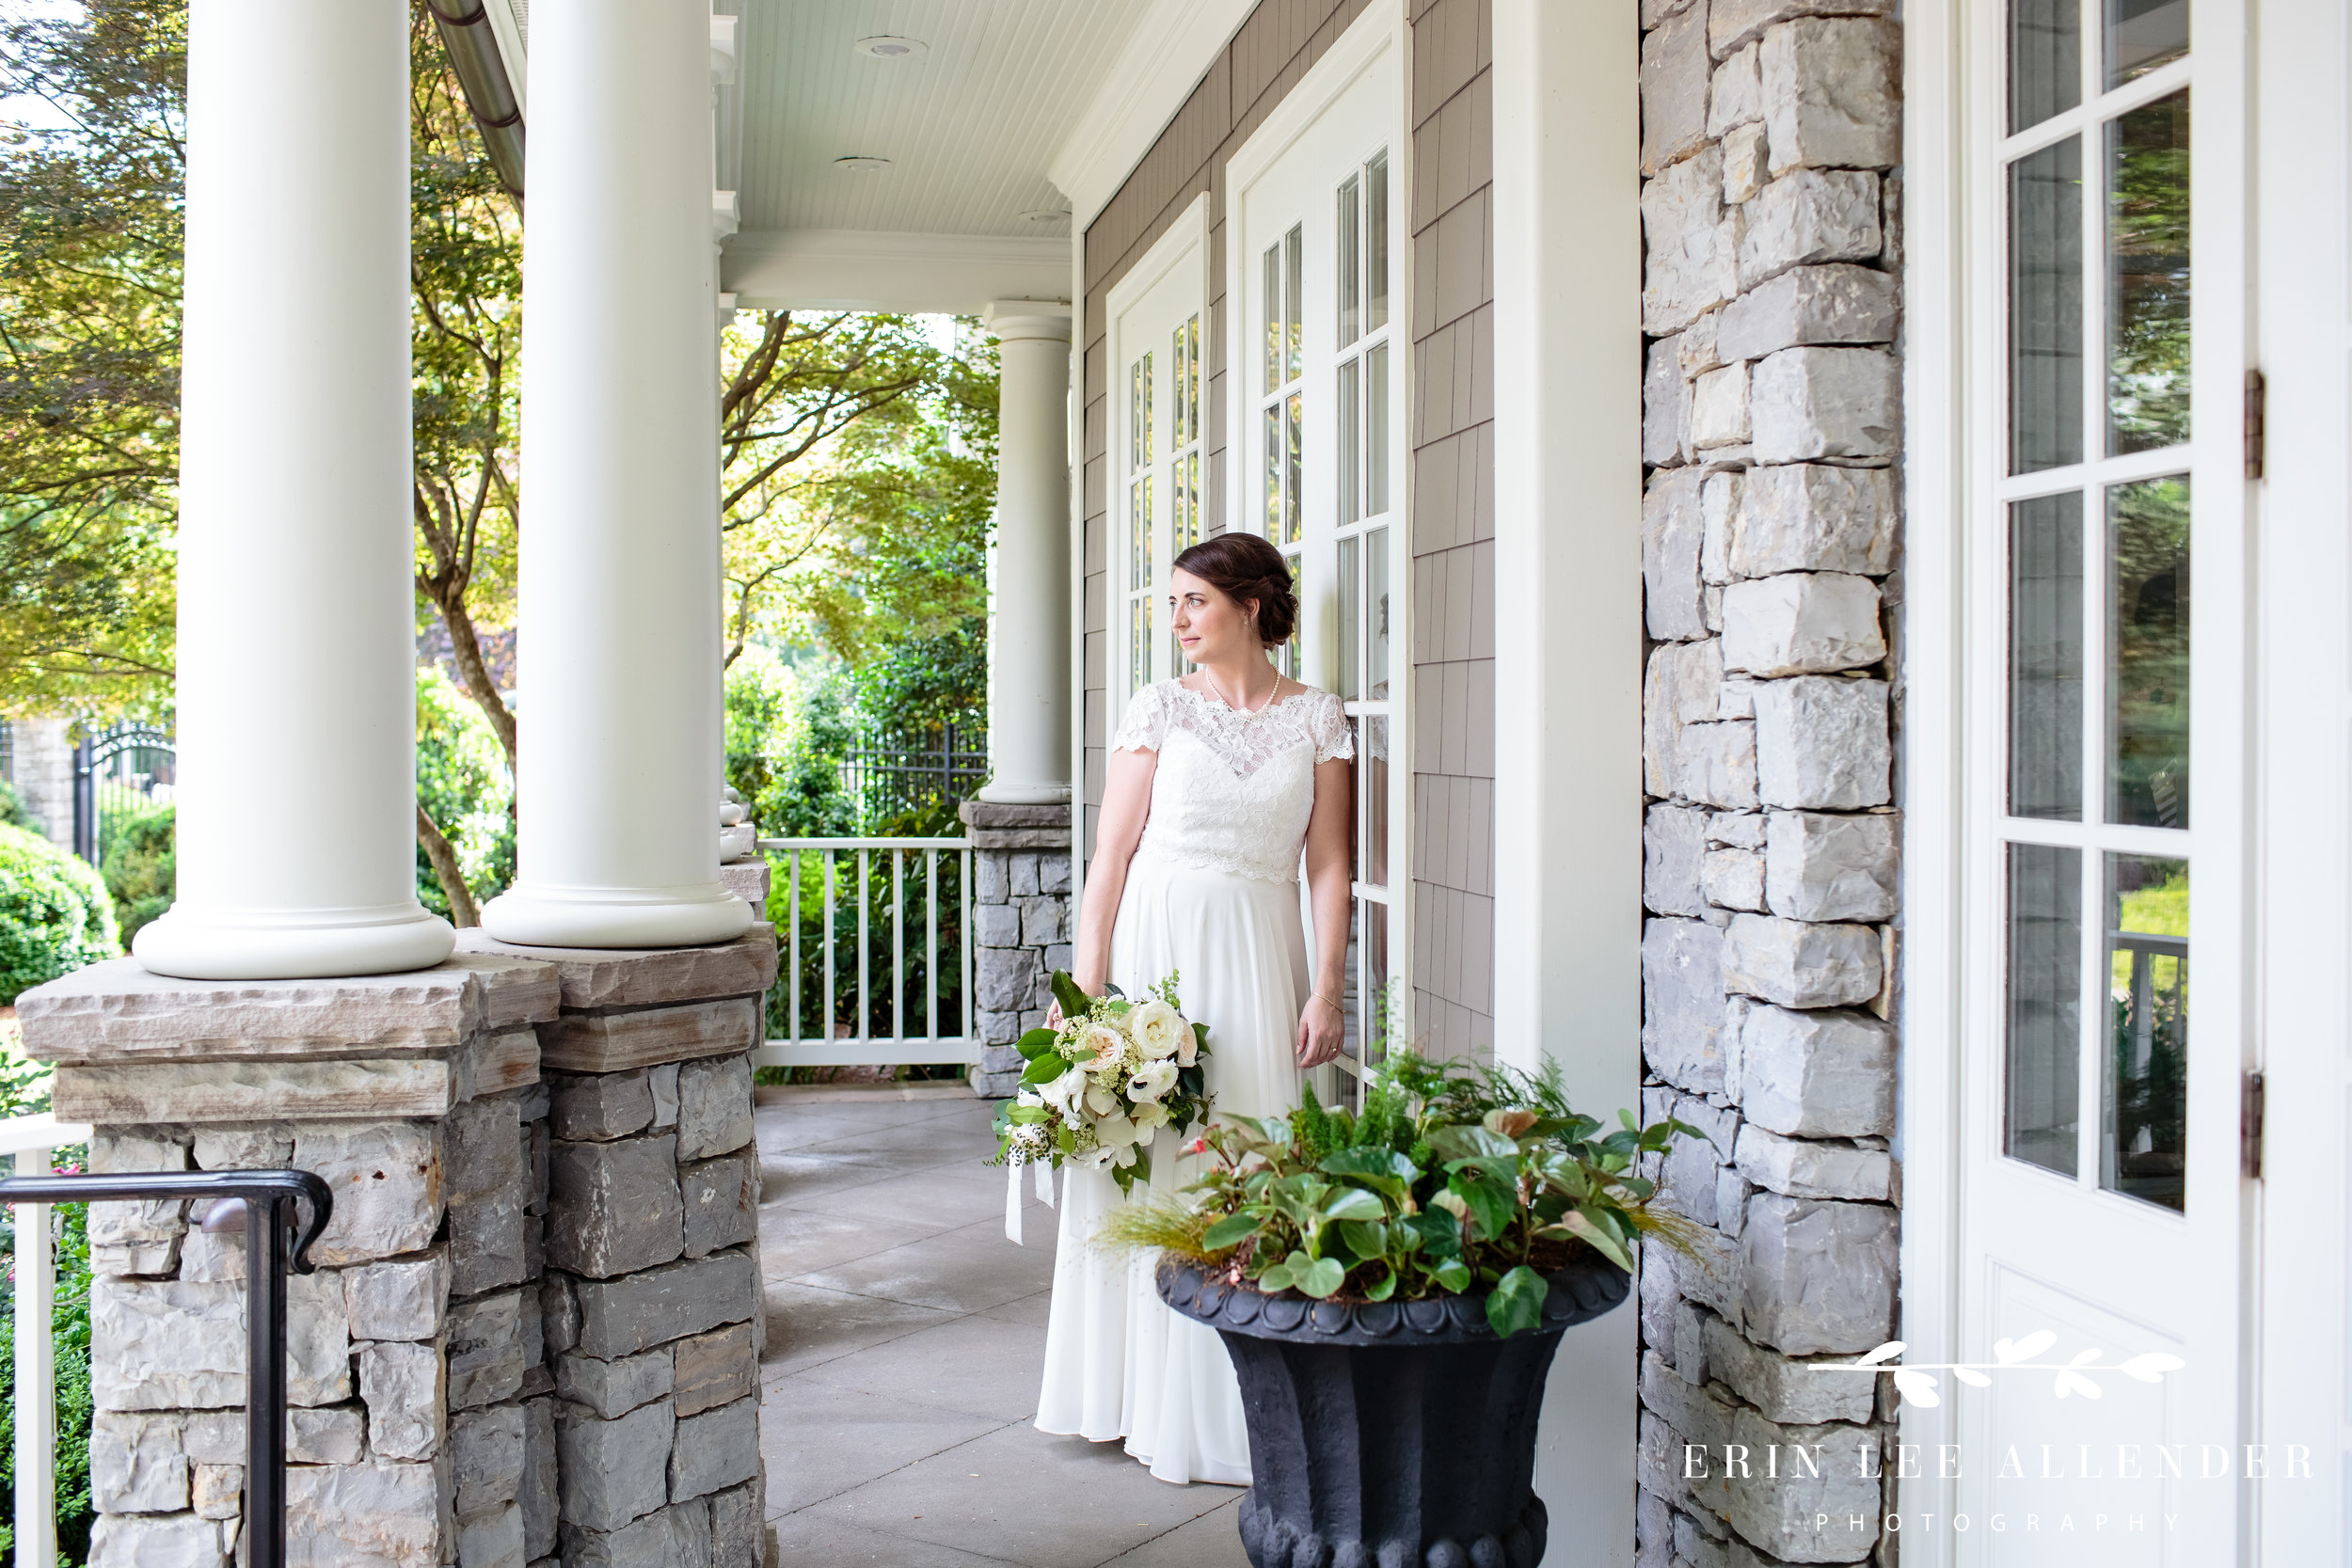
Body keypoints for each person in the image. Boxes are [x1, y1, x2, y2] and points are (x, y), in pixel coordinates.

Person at [1033, 531, 1354, 1485]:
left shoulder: (1319, 719)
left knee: (1248, 1155)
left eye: (1192, 602)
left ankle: (1234, 1404)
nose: (1175, 620)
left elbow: (1329, 863)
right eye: (1171, 603)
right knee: (1150, 1160)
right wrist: (1088, 991)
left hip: (1260, 951)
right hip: (1160, 951)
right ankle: (1133, 1393)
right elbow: (1110, 857)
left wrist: (1326, 982)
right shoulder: (1158, 708)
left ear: (1250, 606)